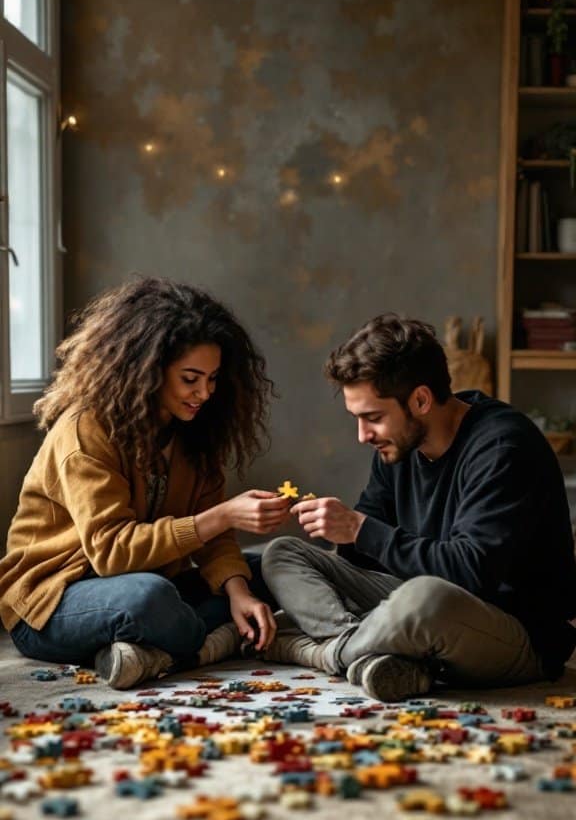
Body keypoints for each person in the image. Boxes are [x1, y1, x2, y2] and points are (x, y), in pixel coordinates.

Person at [260, 314, 576, 702]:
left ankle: (320, 651)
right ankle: (369, 654)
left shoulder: (503, 447)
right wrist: (338, 532)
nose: (363, 436)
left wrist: (360, 529)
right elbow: (368, 556)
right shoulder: (398, 447)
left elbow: (469, 574)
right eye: (357, 419)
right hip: (413, 605)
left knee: (426, 599)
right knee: (281, 554)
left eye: (373, 418)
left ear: (421, 400)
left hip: (511, 630)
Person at [0, 277, 291, 689]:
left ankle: (146, 650)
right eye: (190, 379)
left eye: (212, 378)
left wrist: (238, 590)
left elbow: (215, 541)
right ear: (149, 369)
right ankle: (205, 644)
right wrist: (223, 515)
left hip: (150, 582)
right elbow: (112, 554)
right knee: (148, 599)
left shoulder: (194, 432)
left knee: (274, 566)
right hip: (54, 602)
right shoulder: (86, 431)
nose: (205, 393)